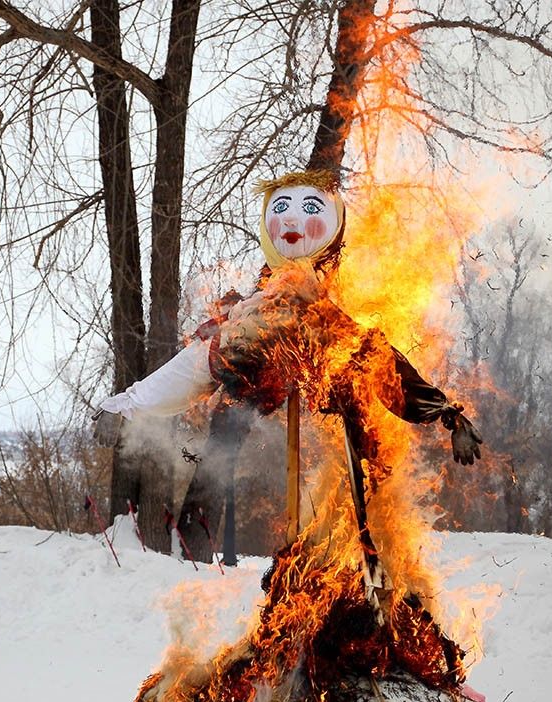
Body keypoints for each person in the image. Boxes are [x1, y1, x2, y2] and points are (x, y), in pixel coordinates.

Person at [95, 170, 482, 559]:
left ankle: (364, 538)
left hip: (334, 400)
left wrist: (446, 412)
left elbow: (386, 364)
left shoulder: (338, 321)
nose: (293, 220)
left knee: (358, 396)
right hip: (259, 378)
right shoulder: (247, 318)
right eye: (281, 208)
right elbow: (193, 367)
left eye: (310, 208)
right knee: (234, 368)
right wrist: (126, 405)